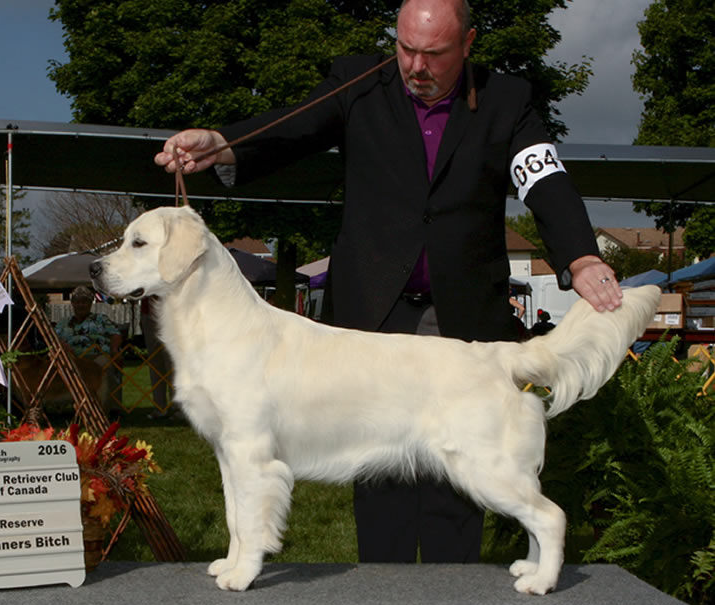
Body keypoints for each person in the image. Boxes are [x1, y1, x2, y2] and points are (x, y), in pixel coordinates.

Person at [155, 0, 623, 565]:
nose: (415, 66)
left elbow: (543, 180)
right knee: (378, 488)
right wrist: (223, 142)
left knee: (460, 491)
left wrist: (580, 256)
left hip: (462, 319)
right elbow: (294, 125)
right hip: (372, 315)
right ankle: (381, 593)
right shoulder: (360, 81)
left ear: (468, 43)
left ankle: (455, 598)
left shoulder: (507, 100)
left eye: (434, 53)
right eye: (405, 48)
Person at [55, 286, 122, 407]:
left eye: (85, 302)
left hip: (97, 355)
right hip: (72, 359)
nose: (81, 305)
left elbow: (115, 334)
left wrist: (114, 349)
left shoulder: (101, 319)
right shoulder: (63, 323)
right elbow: (53, 339)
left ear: (91, 303)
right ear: (72, 303)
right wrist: (61, 345)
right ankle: (67, 404)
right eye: (78, 302)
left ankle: (105, 407)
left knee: (103, 365)